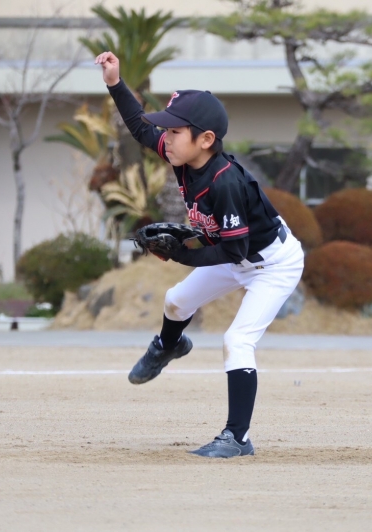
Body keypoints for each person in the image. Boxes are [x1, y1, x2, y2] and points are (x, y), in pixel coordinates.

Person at [95, 51, 305, 458]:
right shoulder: (183, 156)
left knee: (237, 340)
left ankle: (237, 438)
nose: (167, 137)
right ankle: (168, 345)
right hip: (237, 254)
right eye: (168, 130)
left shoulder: (226, 183)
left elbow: (233, 250)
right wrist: (115, 83)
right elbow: (140, 127)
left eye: (175, 131)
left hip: (273, 265)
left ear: (205, 139)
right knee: (176, 300)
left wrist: (182, 253)